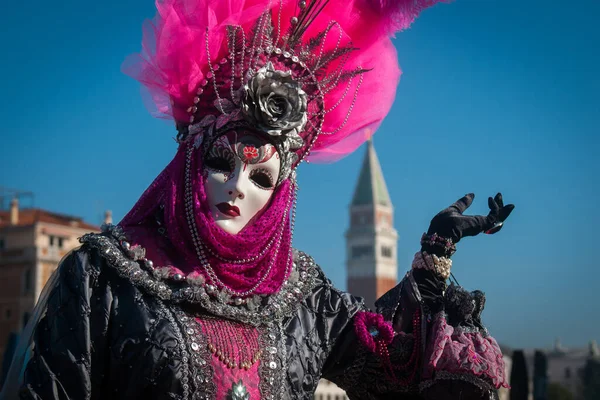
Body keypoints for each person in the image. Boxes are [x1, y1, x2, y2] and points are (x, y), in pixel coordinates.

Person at [0, 0, 515, 398]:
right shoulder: (105, 278)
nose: (237, 187)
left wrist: (434, 257)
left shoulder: (301, 297)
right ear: (190, 162)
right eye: (222, 163)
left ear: (283, 192)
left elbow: (396, 368)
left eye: (262, 178)